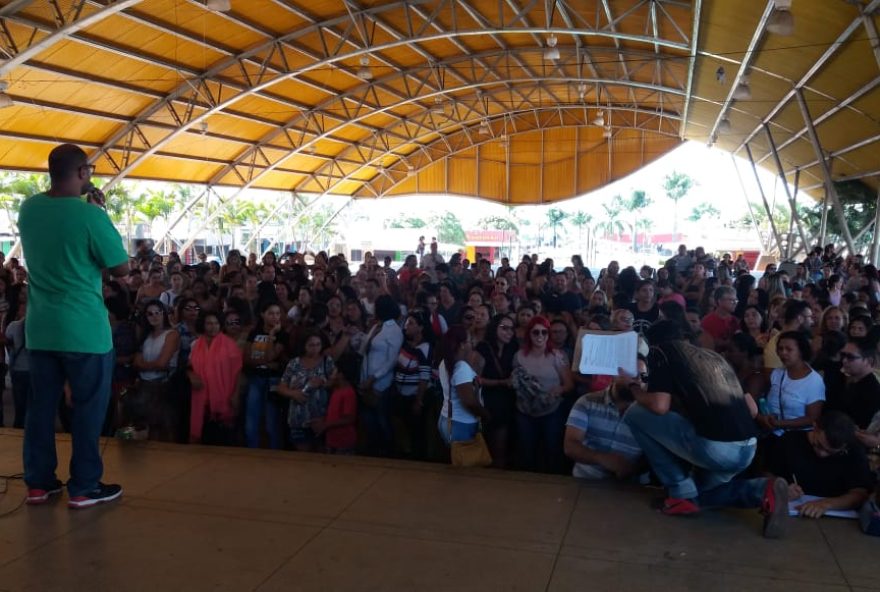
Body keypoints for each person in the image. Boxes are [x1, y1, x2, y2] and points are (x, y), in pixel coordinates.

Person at [19, 144, 129, 508]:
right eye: (90, 170)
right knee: (87, 408)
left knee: (41, 407)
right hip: (84, 330)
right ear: (82, 172)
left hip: (41, 327)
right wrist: (99, 214)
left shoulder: (29, 209)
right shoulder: (90, 216)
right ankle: (83, 486)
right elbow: (121, 267)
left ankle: (38, 483)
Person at [623, 321, 789, 538]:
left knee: (635, 413)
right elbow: (750, 406)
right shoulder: (714, 357)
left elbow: (659, 406)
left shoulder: (660, 352)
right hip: (747, 448)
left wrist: (633, 387)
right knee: (701, 496)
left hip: (718, 449)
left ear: (652, 343)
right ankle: (762, 490)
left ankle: (679, 490)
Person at [769, 411, 873, 518]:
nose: (822, 454)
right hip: (792, 513)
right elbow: (767, 474)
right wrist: (780, 488)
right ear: (815, 427)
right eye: (818, 445)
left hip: (835, 519)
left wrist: (826, 504)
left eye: (831, 452)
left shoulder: (854, 451)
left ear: (844, 447)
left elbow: (860, 494)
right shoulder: (789, 441)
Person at [564, 357, 646, 480]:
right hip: (587, 480)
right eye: (632, 374)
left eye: (643, 376)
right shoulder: (587, 402)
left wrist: (633, 469)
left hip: (632, 486)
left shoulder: (649, 414)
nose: (638, 380)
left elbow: (655, 457)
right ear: (614, 375)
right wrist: (601, 458)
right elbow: (570, 445)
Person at [512, 316, 574, 473]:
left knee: (552, 449)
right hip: (525, 411)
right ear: (529, 334)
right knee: (527, 449)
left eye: (544, 332)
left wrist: (558, 389)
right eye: (536, 332)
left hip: (551, 410)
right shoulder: (519, 356)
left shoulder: (558, 356)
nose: (540, 336)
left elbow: (569, 384)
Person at [187, 311, 243, 445]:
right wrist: (191, 375)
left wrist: (235, 394)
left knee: (224, 438)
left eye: (216, 323)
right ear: (203, 325)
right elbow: (189, 366)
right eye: (209, 323)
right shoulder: (196, 344)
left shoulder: (230, 345)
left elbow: (238, 371)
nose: (213, 327)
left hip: (225, 395)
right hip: (202, 395)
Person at [359, 294, 404, 456]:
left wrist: (374, 377)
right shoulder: (377, 326)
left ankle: (388, 451)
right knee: (369, 419)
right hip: (366, 379)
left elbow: (391, 360)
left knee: (382, 419)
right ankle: (374, 448)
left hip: (382, 381)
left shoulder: (394, 331)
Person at [437, 326, 490, 445]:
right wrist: (485, 415)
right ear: (461, 345)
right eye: (470, 341)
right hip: (461, 424)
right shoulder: (461, 368)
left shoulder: (444, 362)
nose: (472, 344)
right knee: (463, 461)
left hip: (446, 418)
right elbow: (469, 402)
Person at [315, 352, 359, 454]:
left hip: (343, 440)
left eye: (334, 370)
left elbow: (349, 418)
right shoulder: (337, 390)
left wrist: (325, 425)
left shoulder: (348, 393)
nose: (331, 373)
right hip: (333, 439)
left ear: (341, 374)